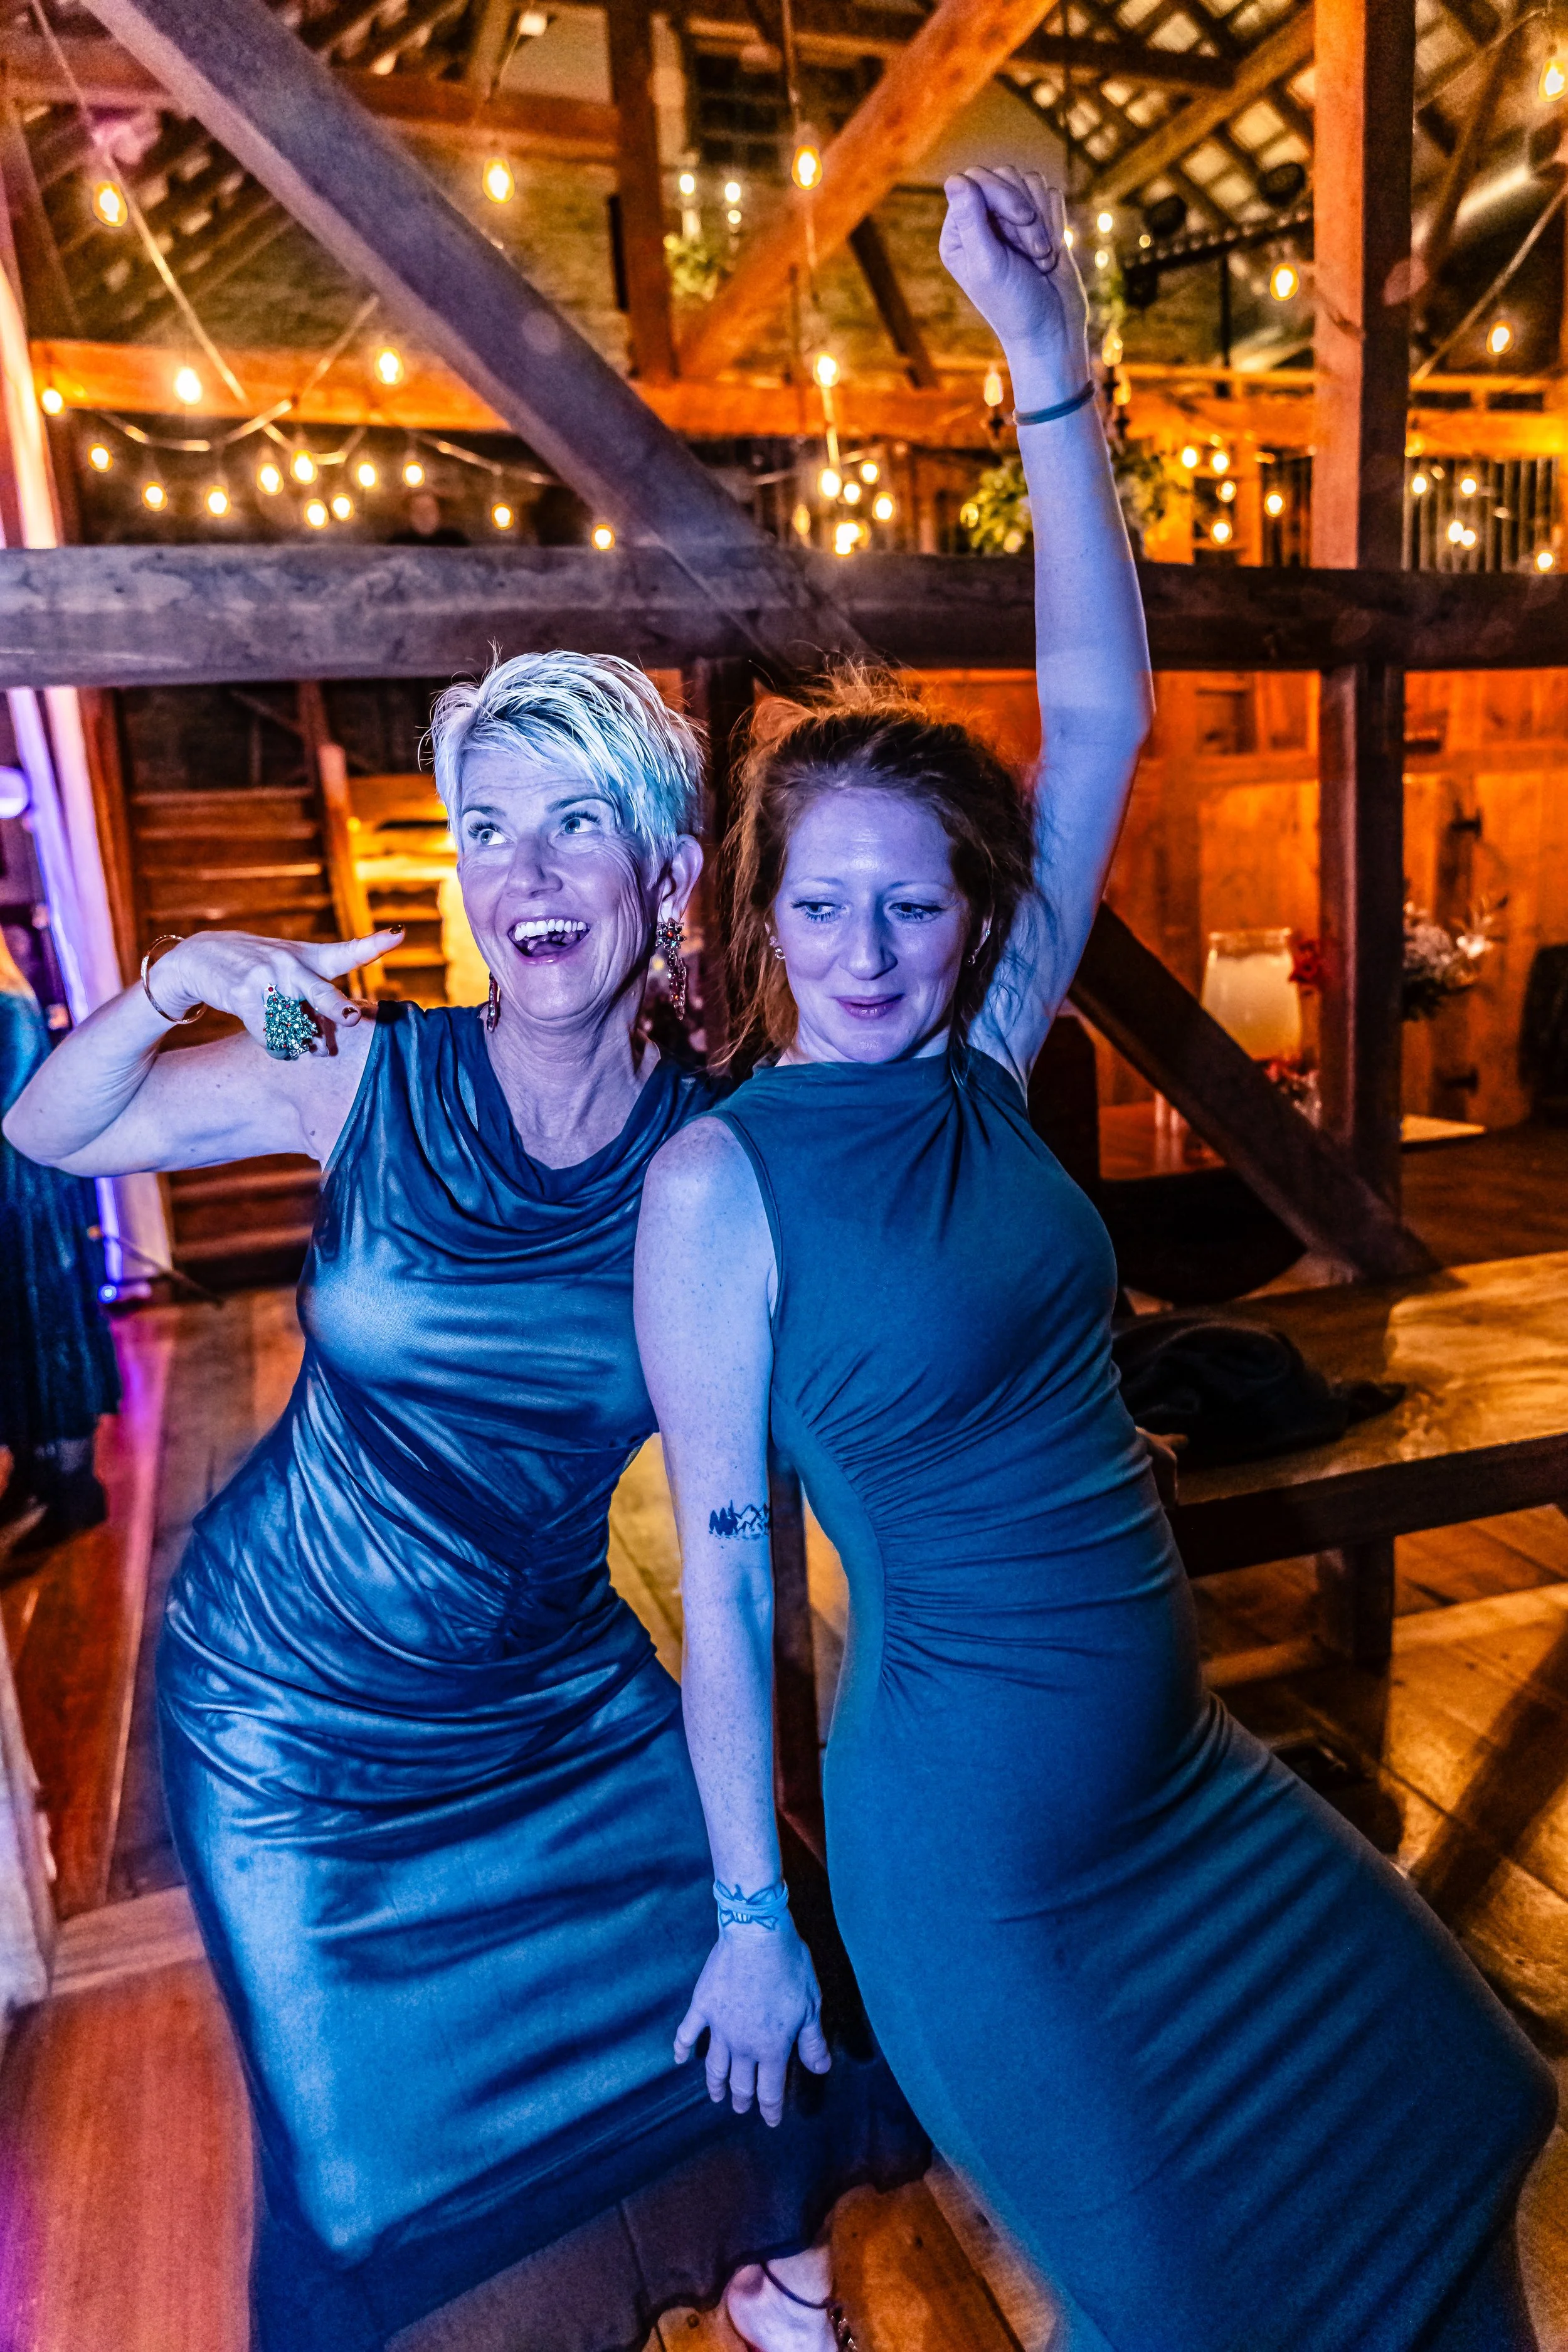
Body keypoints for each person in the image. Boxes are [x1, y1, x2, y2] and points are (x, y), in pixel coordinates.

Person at [633, 168, 1556, 2352]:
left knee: (1449, 2111)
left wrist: (1050, 364)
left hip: (1190, 1783)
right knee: (1191, 2300)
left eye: (914, 905)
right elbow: (736, 1580)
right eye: (826, 904)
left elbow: (1104, 713)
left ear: (968, 923)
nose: (868, 951)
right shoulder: (719, 1188)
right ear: (765, 917)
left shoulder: (976, 1059)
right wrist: (756, 1917)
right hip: (991, 1872)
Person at [3, 654, 925, 2352]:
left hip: (552, 1704)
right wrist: (181, 979)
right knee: (374, 2195)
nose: (527, 876)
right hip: (287, 1726)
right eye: (487, 830)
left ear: (661, 878)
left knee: (774, 1990)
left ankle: (782, 2279)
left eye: (580, 827)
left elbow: (767, 1504)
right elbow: (53, 1126)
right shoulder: (350, 1054)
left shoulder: (718, 1157)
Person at [0, 930, 119, 1552]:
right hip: (13, 1196)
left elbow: (14, 1109)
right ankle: (35, 1469)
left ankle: (75, 1487)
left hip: (22, 1200)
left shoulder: (9, 1004)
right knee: (14, 1339)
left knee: (46, 1331)